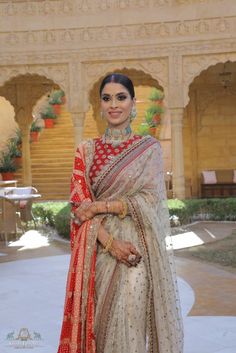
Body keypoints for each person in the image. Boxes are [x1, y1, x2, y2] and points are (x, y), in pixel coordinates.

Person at [57, 73, 183, 353]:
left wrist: (103, 206)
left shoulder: (148, 149)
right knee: (99, 325)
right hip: (98, 252)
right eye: (107, 98)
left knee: (130, 323)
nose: (114, 104)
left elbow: (151, 199)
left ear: (132, 103)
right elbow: (78, 207)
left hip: (137, 249)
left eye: (121, 97)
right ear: (100, 105)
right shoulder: (86, 151)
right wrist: (111, 244)